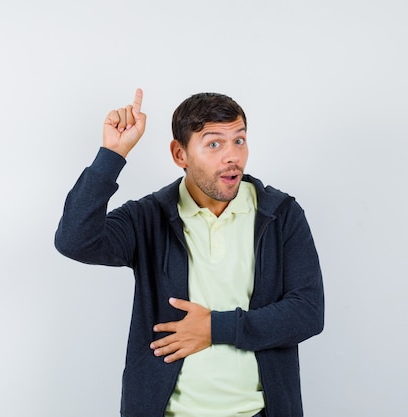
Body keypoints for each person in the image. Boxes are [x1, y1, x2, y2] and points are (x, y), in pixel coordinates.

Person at [55, 89, 324, 417]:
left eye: (239, 140)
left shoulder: (280, 214)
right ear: (180, 154)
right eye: (214, 144)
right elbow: (74, 240)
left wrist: (214, 327)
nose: (232, 157)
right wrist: (112, 155)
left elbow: (308, 313)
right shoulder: (149, 217)